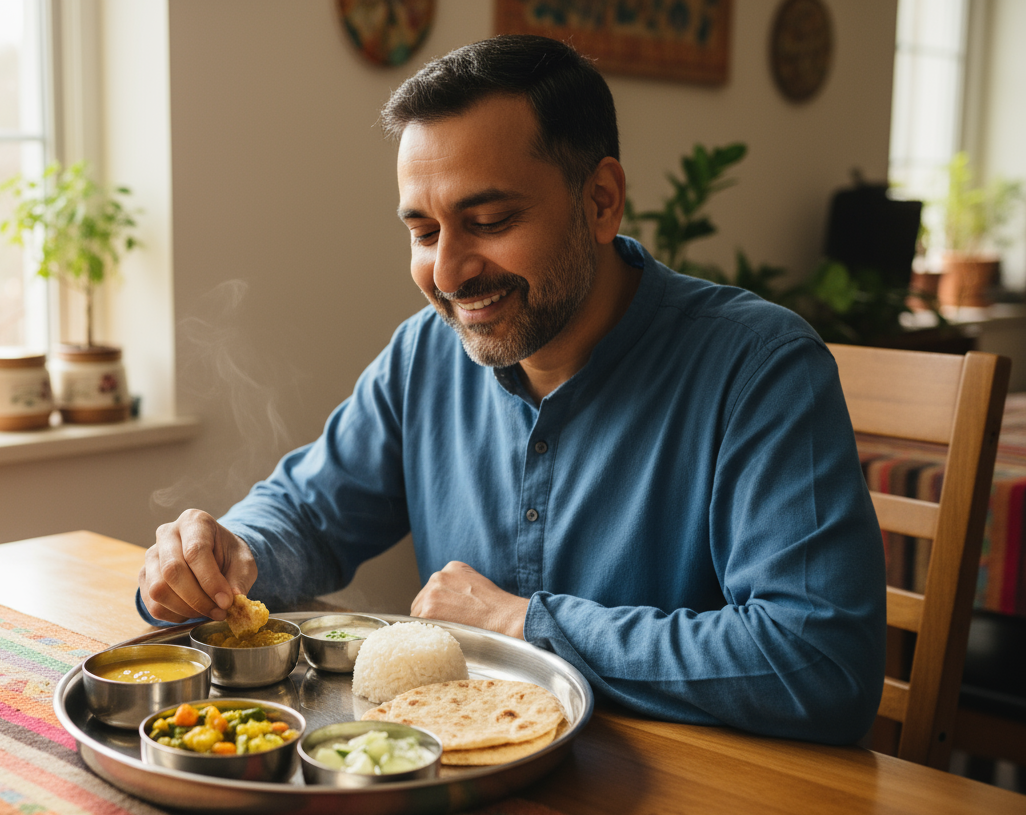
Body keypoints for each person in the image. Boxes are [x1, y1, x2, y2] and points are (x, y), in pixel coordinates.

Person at [137, 35, 886, 745]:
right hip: (470, 774)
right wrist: (227, 553)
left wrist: (526, 625)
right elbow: (306, 514)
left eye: (489, 220)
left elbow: (820, 663)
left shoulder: (760, 366)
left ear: (600, 201)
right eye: (424, 233)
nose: (452, 272)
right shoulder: (425, 354)